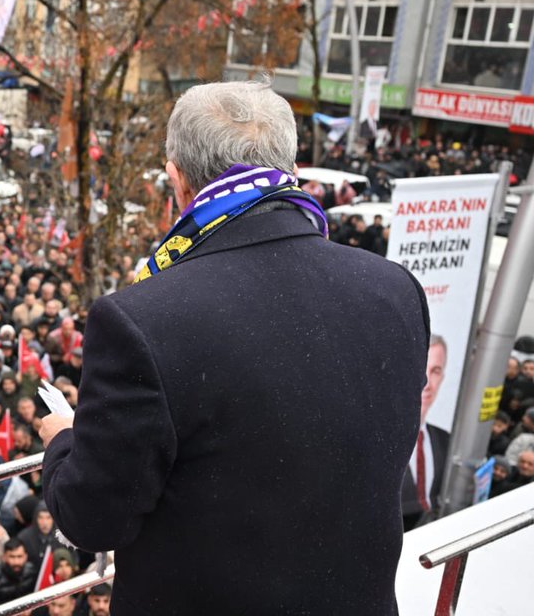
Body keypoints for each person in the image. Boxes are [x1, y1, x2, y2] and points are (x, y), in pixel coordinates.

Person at [39, 82, 429, 614]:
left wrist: (63, 442)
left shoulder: (140, 319)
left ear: (176, 179)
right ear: (290, 167)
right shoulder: (395, 289)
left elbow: (92, 518)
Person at [402, 336, 450, 530]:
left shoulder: (445, 440)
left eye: (435, 371)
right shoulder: (375, 440)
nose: (427, 382)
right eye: (421, 369)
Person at [0, 538, 36, 608]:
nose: (16, 562)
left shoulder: (31, 571)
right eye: (12, 557)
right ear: (4, 557)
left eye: (19, 556)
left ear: (25, 557)